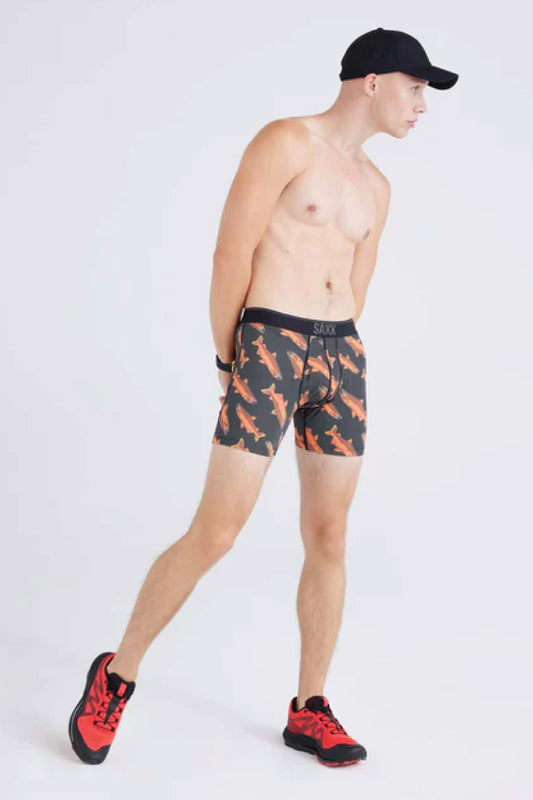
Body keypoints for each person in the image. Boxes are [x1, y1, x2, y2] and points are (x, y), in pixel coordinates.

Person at [68, 27, 458, 768]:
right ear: (373, 81)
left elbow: (358, 282)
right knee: (217, 532)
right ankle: (115, 675)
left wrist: (337, 351)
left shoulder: (377, 186)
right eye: (415, 88)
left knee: (329, 536)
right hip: (269, 343)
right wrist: (230, 356)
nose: (421, 105)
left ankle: (310, 707)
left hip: (340, 356)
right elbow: (231, 253)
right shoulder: (285, 141)